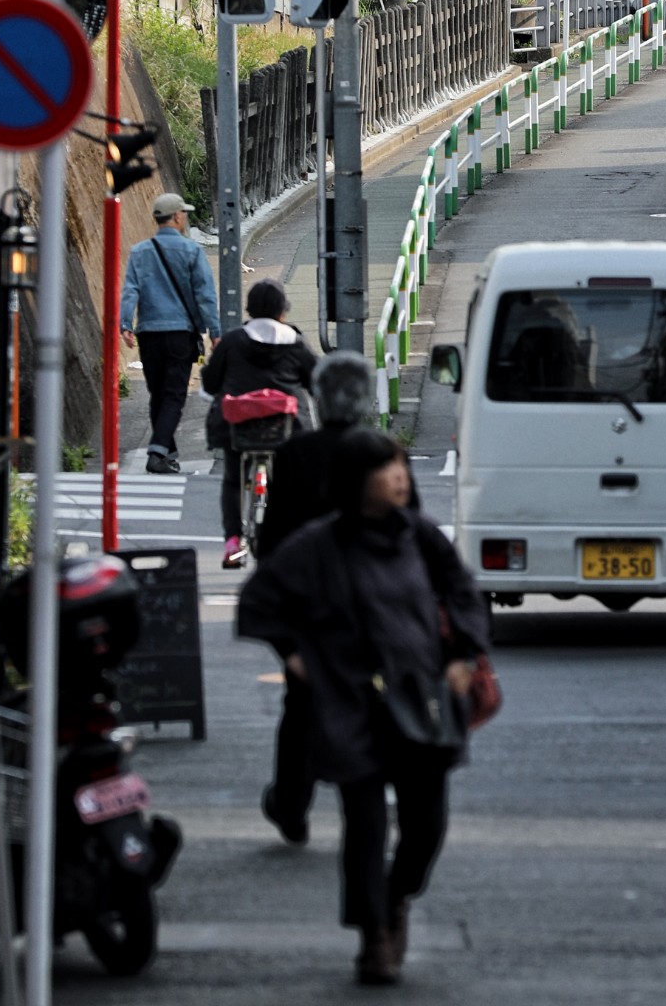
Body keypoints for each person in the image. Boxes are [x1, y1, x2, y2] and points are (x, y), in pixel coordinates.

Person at [238, 430, 489, 987]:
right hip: (350, 700)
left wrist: (464, 656)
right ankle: (374, 935)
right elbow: (259, 599)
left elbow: (463, 592)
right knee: (366, 825)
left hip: (421, 696)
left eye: (401, 466)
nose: (400, 477)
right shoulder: (317, 544)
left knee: (426, 824)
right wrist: (295, 655)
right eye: (386, 469)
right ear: (357, 481)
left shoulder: (420, 536)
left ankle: (399, 893)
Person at [256, 351, 377, 847]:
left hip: (310, 612)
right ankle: (367, 809)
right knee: (372, 707)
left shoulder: (294, 455)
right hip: (372, 613)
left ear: (318, 398)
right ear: (366, 399)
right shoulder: (382, 453)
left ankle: (291, 805)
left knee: (301, 710)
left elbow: (273, 544)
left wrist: (283, 635)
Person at [201, 280, 317, 570]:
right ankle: (285, 540)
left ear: (249, 309)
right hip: (286, 429)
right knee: (290, 482)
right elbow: (316, 381)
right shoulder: (296, 342)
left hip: (235, 426)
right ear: (283, 311)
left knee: (232, 479)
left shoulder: (232, 341)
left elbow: (211, 382)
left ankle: (232, 543)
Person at [119, 192, 219, 476]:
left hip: (148, 333)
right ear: (176, 217)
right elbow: (205, 296)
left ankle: (167, 453)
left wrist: (125, 323)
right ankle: (156, 451)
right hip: (179, 334)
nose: (185, 217)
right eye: (183, 213)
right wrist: (215, 331)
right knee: (174, 395)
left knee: (158, 395)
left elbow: (130, 290)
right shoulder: (192, 251)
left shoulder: (140, 251)